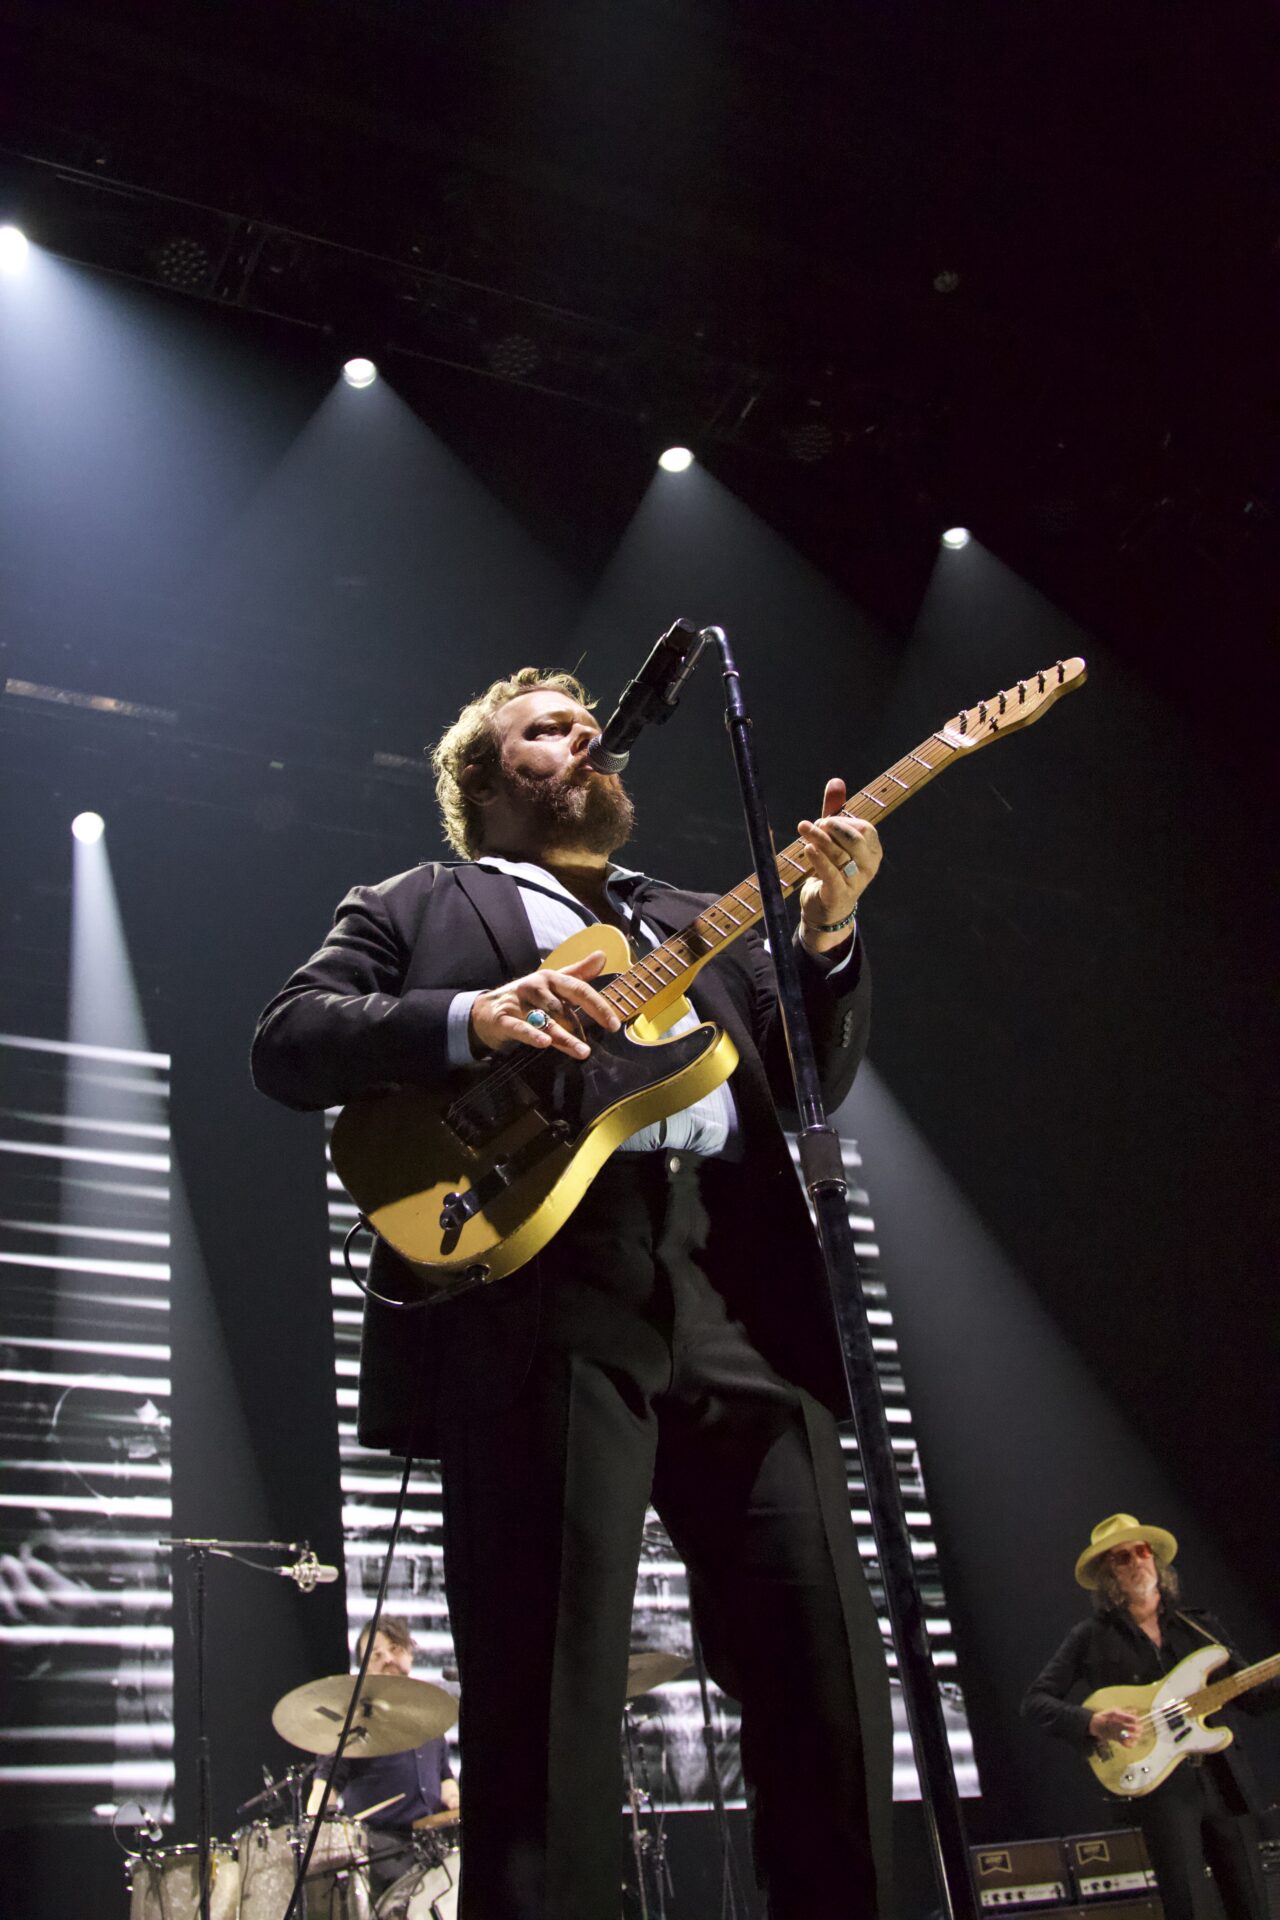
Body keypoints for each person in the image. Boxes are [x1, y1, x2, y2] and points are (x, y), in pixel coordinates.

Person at [253, 667, 892, 1920]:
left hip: (730, 1284)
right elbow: (289, 1040)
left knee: (822, 1667)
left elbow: (804, 1073)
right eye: (547, 729)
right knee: (545, 1687)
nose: (586, 737)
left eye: (589, 725)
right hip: (543, 1283)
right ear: (483, 779)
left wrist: (826, 936)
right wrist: (474, 1016)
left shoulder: (686, 915)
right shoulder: (419, 901)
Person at [1022, 1512, 1277, 1920]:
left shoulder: (1200, 1627)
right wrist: (1093, 1723)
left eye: (1142, 1551)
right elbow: (1036, 1701)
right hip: (1162, 1791)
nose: (1137, 1561)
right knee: (1188, 1907)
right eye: (1122, 1557)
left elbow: (1252, 1698)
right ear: (1108, 1575)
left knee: (1253, 1905)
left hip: (1222, 1777)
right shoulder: (1090, 1636)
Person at [307, 1616, 459, 1899]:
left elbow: (444, 1776)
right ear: (364, 1668)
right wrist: (319, 1835)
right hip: (378, 1852)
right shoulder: (355, 1722)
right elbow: (323, 1790)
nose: (388, 1658)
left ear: (410, 1653)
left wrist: (453, 1798)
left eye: (395, 1648)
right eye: (376, 1655)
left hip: (431, 1848)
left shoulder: (428, 1717)